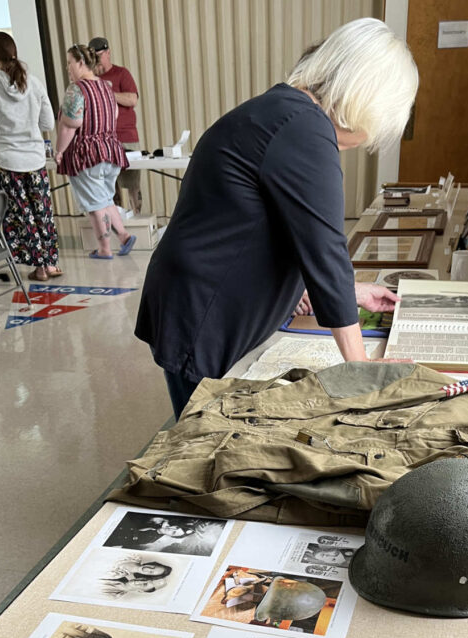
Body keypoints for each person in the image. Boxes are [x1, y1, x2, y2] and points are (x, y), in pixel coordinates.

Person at [135, 18, 418, 417]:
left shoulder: (284, 109)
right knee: (205, 439)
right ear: (366, 97)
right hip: (203, 311)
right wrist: (359, 368)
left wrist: (351, 291)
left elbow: (270, 226)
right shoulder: (305, 128)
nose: (366, 140)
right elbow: (326, 252)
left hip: (190, 294)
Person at [0, 32, 62, 282]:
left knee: (21, 214)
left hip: (7, 160)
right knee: (42, 212)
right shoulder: (34, 82)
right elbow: (47, 121)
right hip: (35, 159)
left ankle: (38, 268)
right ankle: (50, 264)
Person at [55, 43, 135, 259]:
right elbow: (115, 115)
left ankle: (105, 249)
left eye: (70, 63)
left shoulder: (76, 89)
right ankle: (125, 237)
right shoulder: (106, 87)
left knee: (95, 204)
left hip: (87, 154)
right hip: (110, 150)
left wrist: (60, 150)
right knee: (105, 199)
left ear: (81, 63)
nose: (68, 68)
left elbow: (72, 123)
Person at [89, 35, 142, 214]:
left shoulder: (121, 73)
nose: (97, 60)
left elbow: (132, 99)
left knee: (132, 183)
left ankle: (138, 217)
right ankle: (118, 220)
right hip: (103, 140)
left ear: (108, 53)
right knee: (111, 186)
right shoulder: (90, 78)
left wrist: (108, 93)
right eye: (93, 57)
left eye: (100, 55)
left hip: (126, 138)